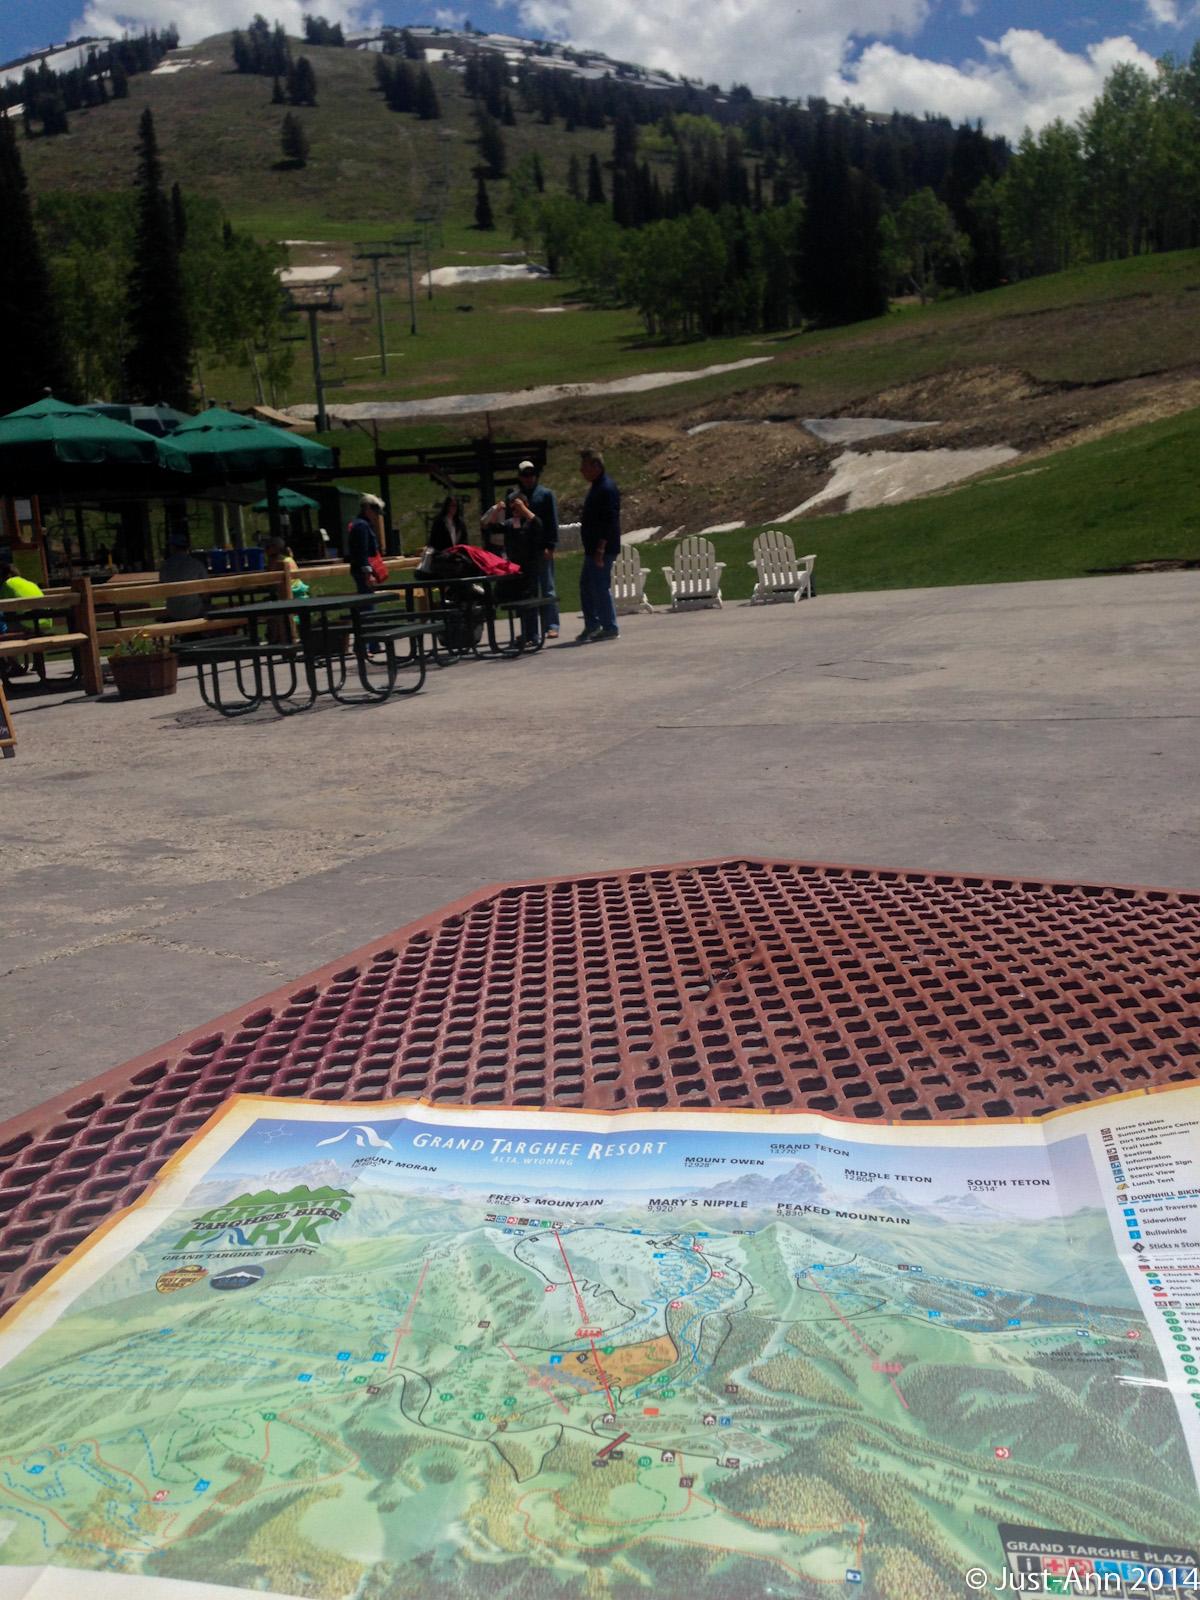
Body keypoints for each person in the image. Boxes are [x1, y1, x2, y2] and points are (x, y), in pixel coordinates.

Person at [577, 447, 621, 643]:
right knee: (587, 585)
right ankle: (592, 624)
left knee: (600, 586)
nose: (581, 470)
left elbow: (609, 520)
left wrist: (601, 548)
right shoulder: (596, 486)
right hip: (592, 549)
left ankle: (609, 626)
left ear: (596, 466)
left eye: (585, 466)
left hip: (601, 549)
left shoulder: (606, 488)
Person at [516, 458, 560, 639]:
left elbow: (552, 522)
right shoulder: (516, 497)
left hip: (542, 547)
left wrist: (551, 545)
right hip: (525, 551)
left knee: (547, 587)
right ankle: (530, 630)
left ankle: (552, 625)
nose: (529, 478)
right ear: (520, 477)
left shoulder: (545, 494)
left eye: (531, 474)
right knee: (529, 590)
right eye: (525, 475)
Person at [158, 532, 209, 621]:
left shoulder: (165, 566)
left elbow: (163, 588)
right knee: (212, 608)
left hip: (173, 611)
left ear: (172, 547)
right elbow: (206, 590)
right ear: (187, 547)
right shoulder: (197, 564)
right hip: (195, 610)